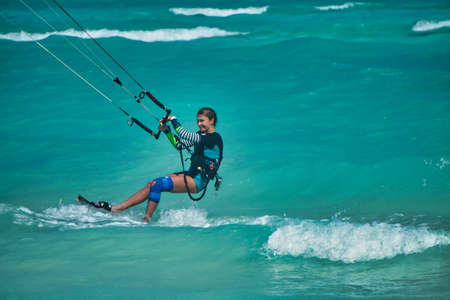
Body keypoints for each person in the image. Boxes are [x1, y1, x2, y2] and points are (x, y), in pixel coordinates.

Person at [91, 107, 223, 223]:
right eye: (198, 121)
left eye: (202, 121)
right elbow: (179, 145)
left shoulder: (213, 138)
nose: (199, 124)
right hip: (192, 174)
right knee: (152, 184)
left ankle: (145, 220)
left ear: (211, 120)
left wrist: (173, 119)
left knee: (157, 185)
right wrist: (166, 130)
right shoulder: (201, 135)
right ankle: (118, 208)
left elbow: (183, 134)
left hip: (197, 180)